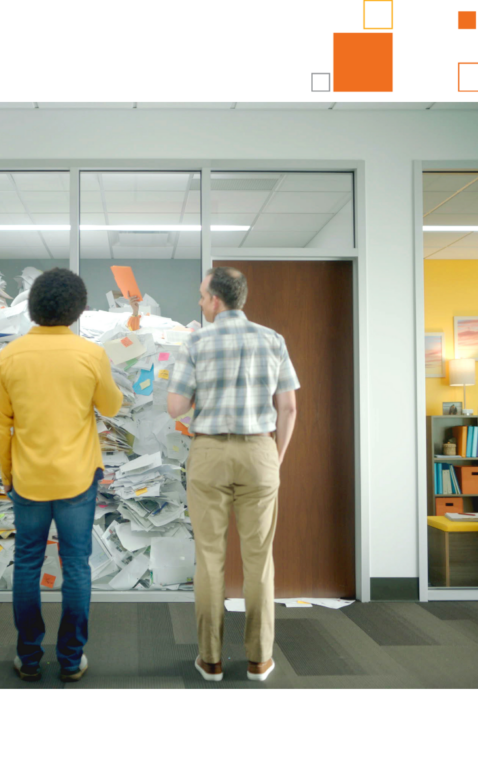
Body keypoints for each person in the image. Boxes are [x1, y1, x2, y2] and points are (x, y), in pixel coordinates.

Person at [0, 268, 123, 683]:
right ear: (78, 308)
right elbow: (112, 407)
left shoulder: (9, 356)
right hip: (77, 479)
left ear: (33, 308)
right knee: (76, 566)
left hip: (27, 479)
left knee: (27, 564)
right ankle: (70, 660)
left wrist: (8, 476)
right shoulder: (89, 354)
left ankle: (28, 659)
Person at [166, 267, 300, 683]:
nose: (202, 302)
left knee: (209, 558)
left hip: (208, 453)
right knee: (259, 560)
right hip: (259, 450)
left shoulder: (195, 342)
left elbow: (175, 408)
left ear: (215, 300)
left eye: (203, 296)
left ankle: (211, 661)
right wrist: (274, 458)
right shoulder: (272, 339)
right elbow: (289, 408)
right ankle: (260, 660)